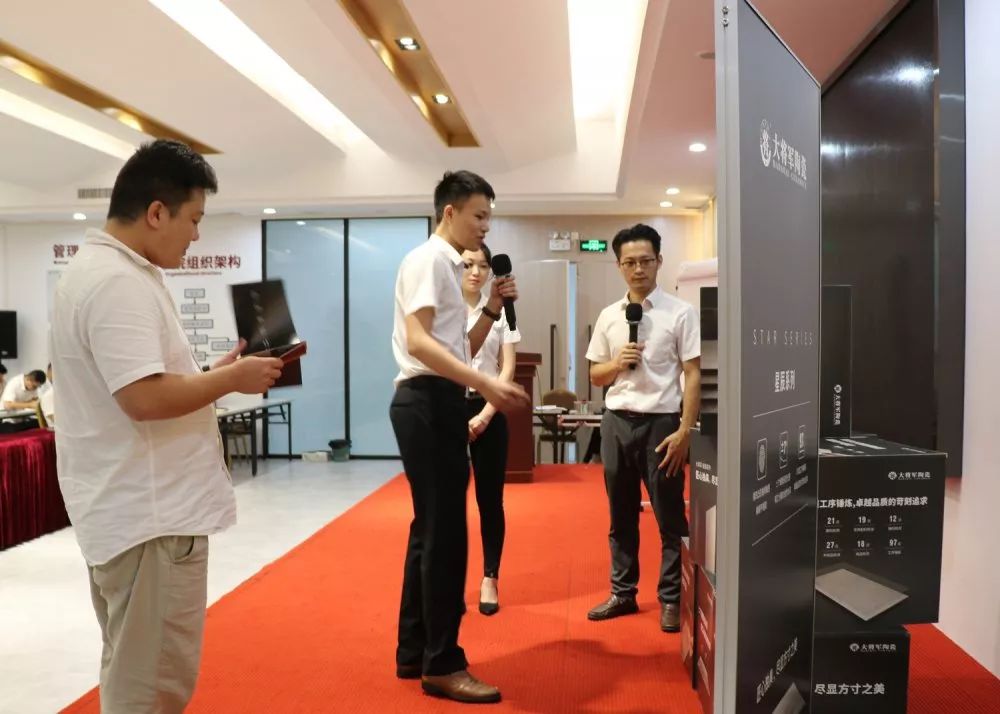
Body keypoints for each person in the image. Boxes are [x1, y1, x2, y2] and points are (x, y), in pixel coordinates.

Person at [49, 139, 283, 713]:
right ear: (157, 212)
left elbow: (143, 384)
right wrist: (230, 381)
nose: (196, 235)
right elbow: (143, 398)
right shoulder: (117, 281)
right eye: (194, 219)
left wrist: (216, 373)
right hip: (149, 519)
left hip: (132, 512)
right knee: (150, 686)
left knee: (134, 668)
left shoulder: (109, 272)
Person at [390, 170, 529, 704]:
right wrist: (485, 383)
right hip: (428, 400)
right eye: (479, 215)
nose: (485, 226)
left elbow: (455, 345)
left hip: (434, 399)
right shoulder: (430, 260)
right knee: (445, 537)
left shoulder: (445, 265)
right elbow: (420, 343)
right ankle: (442, 663)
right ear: (450, 212)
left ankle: (414, 650)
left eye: (489, 216)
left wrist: (491, 308)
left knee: (429, 532)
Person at [584, 223, 701, 633]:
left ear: (659, 261)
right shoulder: (608, 316)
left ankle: (671, 598)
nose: (638, 269)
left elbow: (692, 373)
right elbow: (595, 375)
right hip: (616, 421)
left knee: (670, 517)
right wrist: (617, 363)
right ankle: (623, 593)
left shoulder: (680, 313)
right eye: (630, 262)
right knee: (620, 516)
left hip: (662, 425)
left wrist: (685, 430)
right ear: (619, 266)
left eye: (646, 261)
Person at [461, 243, 520, 616]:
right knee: (450, 501)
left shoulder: (502, 312)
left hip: (490, 408)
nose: (476, 272)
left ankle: (490, 577)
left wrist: (484, 415)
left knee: (489, 500)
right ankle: (452, 580)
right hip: (452, 408)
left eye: (483, 266)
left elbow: (507, 367)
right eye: (468, 264)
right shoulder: (446, 310)